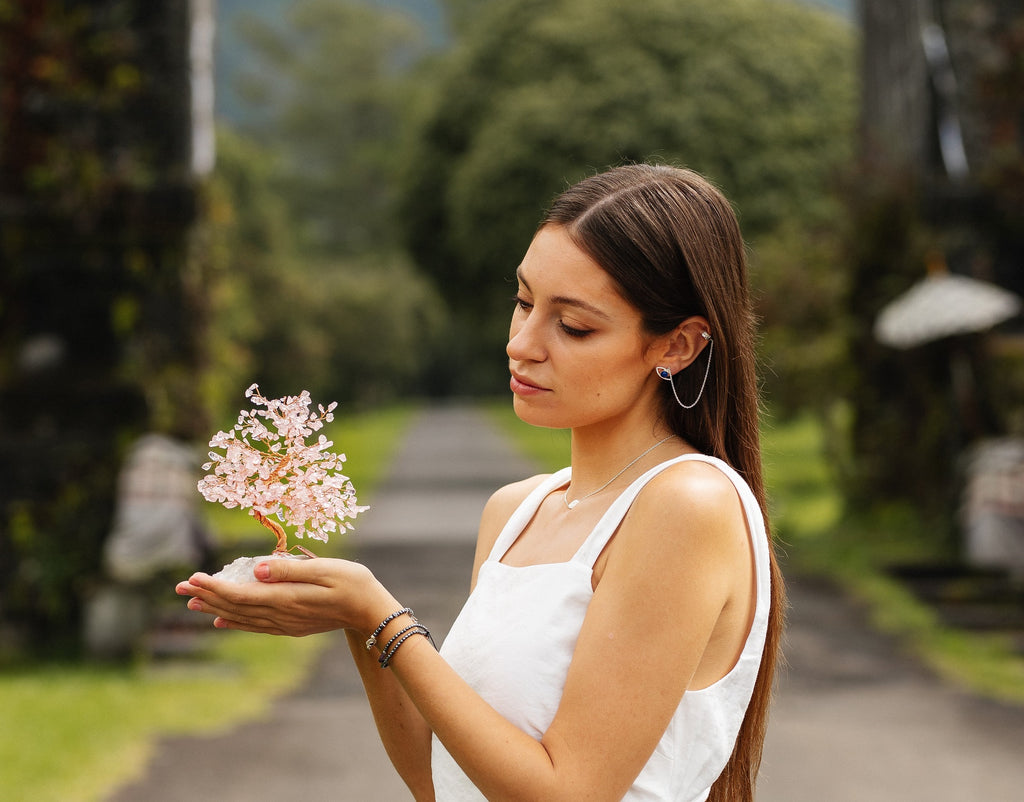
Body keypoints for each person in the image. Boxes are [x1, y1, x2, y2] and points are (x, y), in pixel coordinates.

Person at [177, 163, 785, 802]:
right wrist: (354, 621)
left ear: (678, 346)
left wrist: (380, 613)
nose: (522, 344)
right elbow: (443, 781)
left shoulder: (688, 504)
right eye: (523, 302)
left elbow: (567, 793)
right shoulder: (516, 511)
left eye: (573, 326)